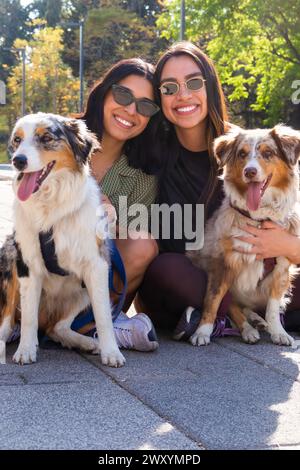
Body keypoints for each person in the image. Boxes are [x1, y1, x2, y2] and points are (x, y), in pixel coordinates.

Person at [137, 41, 300, 339]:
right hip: (194, 273)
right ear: (159, 97)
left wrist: (286, 246)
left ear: (210, 86)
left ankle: (240, 316)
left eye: (194, 82)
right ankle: (228, 314)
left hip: (265, 275)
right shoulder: (150, 152)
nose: (183, 94)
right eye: (169, 87)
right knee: (164, 270)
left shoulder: (244, 144)